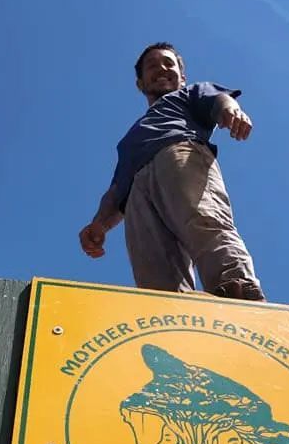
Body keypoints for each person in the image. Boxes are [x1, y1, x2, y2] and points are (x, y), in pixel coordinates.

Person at [79, 42, 264, 300]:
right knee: (152, 267)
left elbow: (220, 99)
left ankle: (238, 289)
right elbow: (116, 190)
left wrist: (231, 110)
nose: (161, 68)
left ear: (182, 76)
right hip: (135, 192)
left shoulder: (189, 94)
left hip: (178, 154)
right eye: (152, 66)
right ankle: (170, 316)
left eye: (169, 63)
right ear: (141, 83)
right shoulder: (129, 140)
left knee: (203, 222)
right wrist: (99, 223)